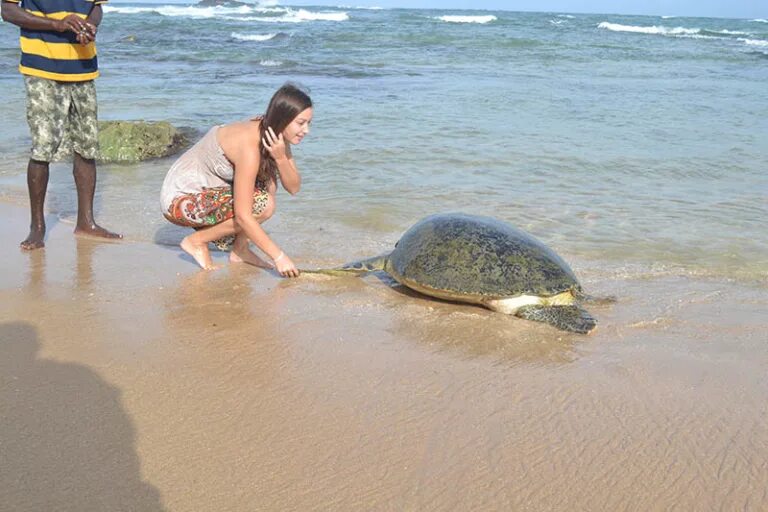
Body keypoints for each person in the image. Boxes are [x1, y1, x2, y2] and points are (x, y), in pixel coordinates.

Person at [1, 0, 122, 250]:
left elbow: (96, 8)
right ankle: (37, 228)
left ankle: (86, 222)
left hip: (84, 68)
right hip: (41, 68)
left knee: (87, 146)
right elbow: (8, 10)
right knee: (43, 147)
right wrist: (57, 24)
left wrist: (89, 26)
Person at [160, 83, 312, 278]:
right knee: (263, 204)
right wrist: (279, 257)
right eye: (301, 123)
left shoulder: (274, 136)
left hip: (207, 192)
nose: (306, 130)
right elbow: (243, 216)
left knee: (269, 184)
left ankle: (240, 250)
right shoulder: (249, 145)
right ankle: (196, 241)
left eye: (309, 123)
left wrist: (281, 158)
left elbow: (293, 188)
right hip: (179, 200)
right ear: (283, 119)